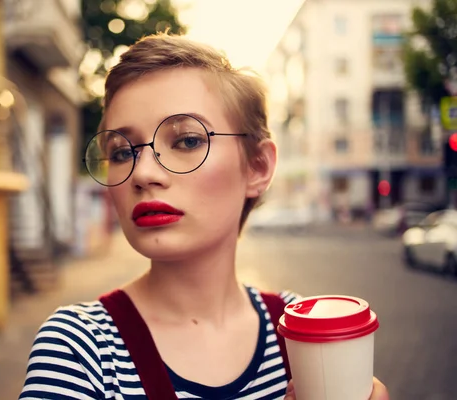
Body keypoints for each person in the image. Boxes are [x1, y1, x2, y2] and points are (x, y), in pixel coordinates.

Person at [19, 34, 389, 400]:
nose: (144, 172)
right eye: (120, 151)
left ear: (257, 166)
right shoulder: (81, 348)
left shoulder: (302, 327)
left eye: (187, 141)